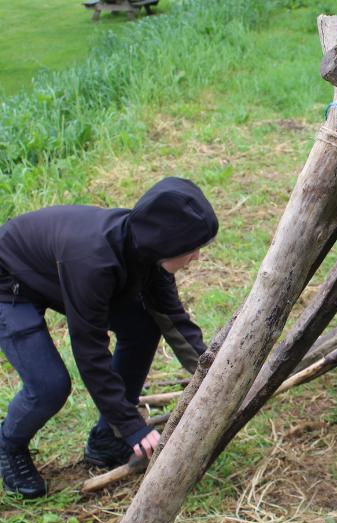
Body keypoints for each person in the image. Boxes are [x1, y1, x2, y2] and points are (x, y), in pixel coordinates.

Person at [0, 177, 218, 498]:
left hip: (54, 272)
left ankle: (106, 438)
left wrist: (214, 374)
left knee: (143, 327)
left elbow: (172, 320)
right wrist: (132, 426)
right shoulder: (93, 263)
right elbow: (90, 351)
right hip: (9, 283)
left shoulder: (146, 251)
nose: (196, 256)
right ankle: (8, 444)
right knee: (50, 385)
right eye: (191, 248)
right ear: (165, 244)